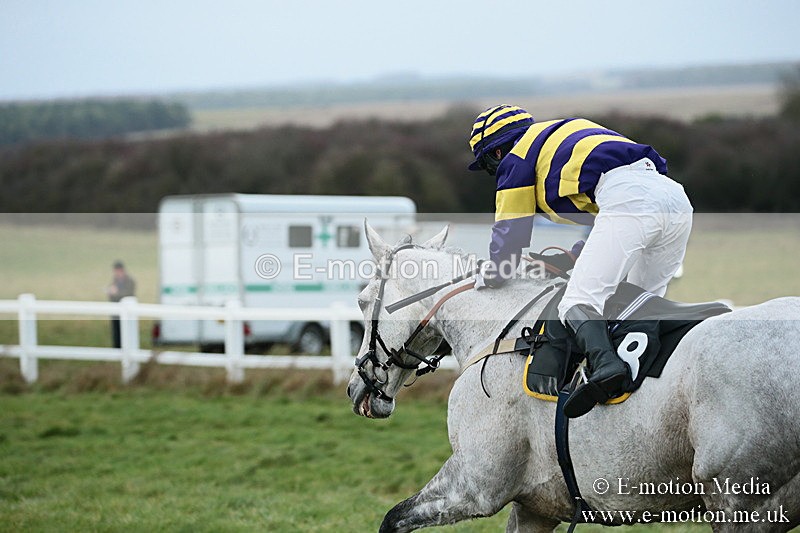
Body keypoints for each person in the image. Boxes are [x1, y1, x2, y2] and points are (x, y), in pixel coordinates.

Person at [469, 105, 693, 418]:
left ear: (497, 152)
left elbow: (511, 231)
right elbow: (611, 208)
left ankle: (607, 368)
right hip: (675, 199)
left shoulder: (516, 157)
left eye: (491, 166)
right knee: (639, 303)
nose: (496, 173)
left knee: (576, 301)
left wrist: (493, 272)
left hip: (630, 200)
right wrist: (576, 255)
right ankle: (647, 392)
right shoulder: (565, 132)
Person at [106, 260, 136, 348]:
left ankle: (127, 347)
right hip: (116, 311)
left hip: (127, 311)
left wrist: (116, 293)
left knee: (126, 331)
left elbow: (128, 294)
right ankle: (117, 347)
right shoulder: (115, 280)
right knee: (116, 330)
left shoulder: (130, 281)